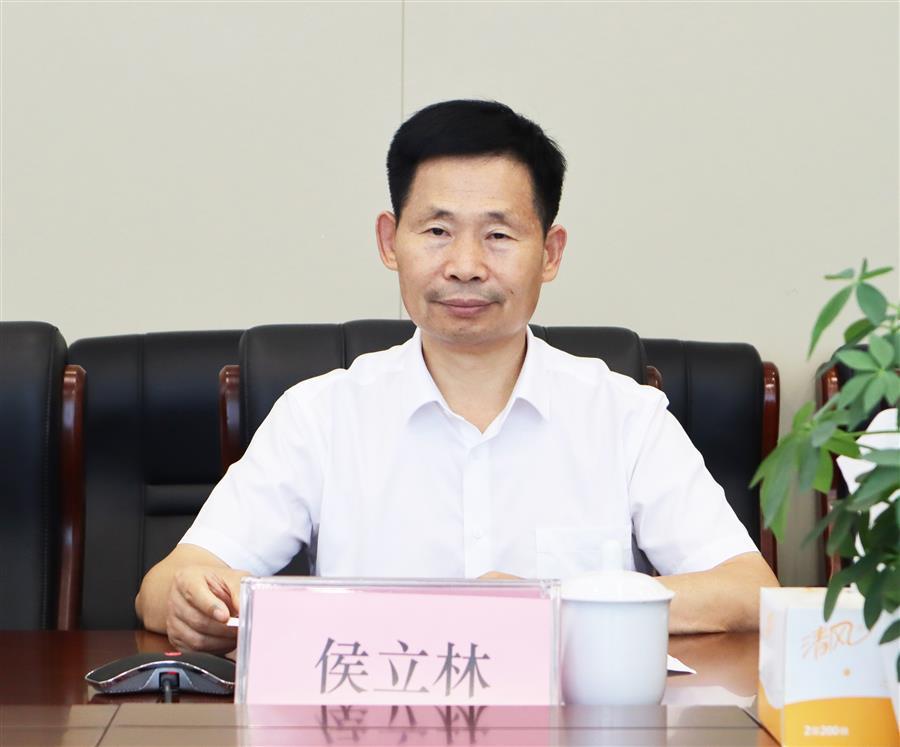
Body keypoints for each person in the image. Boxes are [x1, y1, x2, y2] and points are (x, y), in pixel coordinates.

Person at [135, 100, 779, 653]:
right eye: (438, 230)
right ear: (390, 241)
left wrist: (557, 603)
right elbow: (163, 587)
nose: (465, 265)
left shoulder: (624, 416)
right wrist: (195, 602)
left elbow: (748, 592)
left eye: (498, 235)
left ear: (550, 253)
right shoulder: (321, 415)